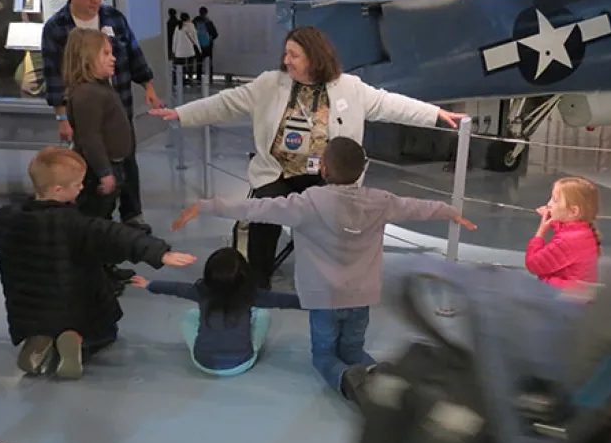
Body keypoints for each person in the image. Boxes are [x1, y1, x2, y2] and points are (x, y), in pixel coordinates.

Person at [149, 26, 467, 289]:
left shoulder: (349, 88)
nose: (285, 60)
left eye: (293, 55)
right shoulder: (269, 85)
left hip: (328, 178)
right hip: (278, 174)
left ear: (314, 58)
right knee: (260, 216)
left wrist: (434, 114)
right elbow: (225, 103)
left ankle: (333, 279)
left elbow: (390, 104)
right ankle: (257, 282)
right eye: (286, 53)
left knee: (340, 220)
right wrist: (180, 114)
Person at [171, 137, 476, 399]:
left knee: (325, 356)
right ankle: (383, 382)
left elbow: (256, 207)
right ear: (361, 170)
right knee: (354, 350)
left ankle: (350, 385)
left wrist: (207, 205)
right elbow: (416, 207)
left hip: (324, 299)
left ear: (324, 169)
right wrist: (450, 212)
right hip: (362, 296)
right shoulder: (380, 201)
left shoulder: (306, 203)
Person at [0, 147, 196, 379]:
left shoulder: (7, 218)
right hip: (77, 302)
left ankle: (41, 337)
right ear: (57, 190)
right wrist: (159, 253)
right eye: (76, 185)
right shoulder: (78, 224)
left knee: (40, 322)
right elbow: (116, 236)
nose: (80, 188)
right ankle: (76, 340)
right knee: (103, 333)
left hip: (29, 304)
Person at [42, 0, 163, 234]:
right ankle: (97, 225)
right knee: (97, 161)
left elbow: (134, 55)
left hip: (117, 103)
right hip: (89, 110)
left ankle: (131, 213)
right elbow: (52, 75)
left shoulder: (114, 18)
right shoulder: (56, 28)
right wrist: (62, 116)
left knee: (126, 159)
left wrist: (149, 87)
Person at [131, 247, 301, 377]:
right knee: (262, 315)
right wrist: (319, 301)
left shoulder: (200, 291)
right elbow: (284, 300)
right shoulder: (251, 295)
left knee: (190, 316)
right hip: (242, 363)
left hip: (203, 362)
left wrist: (149, 284)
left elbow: (176, 288)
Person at [63, 27, 130, 221]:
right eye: (106, 54)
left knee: (104, 213)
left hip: (113, 164)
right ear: (87, 59)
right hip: (98, 170)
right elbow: (90, 137)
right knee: (95, 217)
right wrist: (104, 172)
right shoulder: (88, 94)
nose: (113, 58)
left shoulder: (100, 88)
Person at [526, 176, 602, 291]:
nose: (548, 204)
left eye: (555, 200)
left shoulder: (566, 241)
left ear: (573, 211)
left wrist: (541, 232)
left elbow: (533, 264)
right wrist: (552, 220)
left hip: (563, 298)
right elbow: (566, 230)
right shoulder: (583, 232)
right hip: (576, 295)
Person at [172, 12, 201, 87]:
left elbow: (175, 39)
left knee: (181, 67)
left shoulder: (178, 27)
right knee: (190, 67)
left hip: (179, 52)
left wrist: (174, 50)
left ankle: (181, 81)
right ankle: (190, 81)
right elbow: (195, 39)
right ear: (188, 18)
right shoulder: (191, 26)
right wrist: (199, 49)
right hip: (189, 51)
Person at [192, 6, 218, 84]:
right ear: (206, 13)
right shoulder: (208, 22)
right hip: (207, 46)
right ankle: (209, 79)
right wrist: (210, 39)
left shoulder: (194, 22)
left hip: (197, 46)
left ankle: (199, 79)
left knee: (198, 63)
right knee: (208, 63)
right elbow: (215, 34)